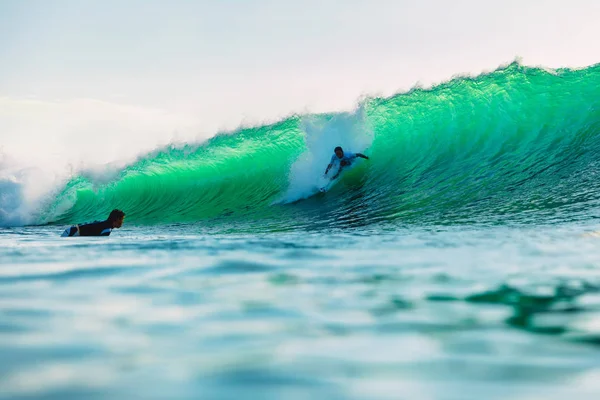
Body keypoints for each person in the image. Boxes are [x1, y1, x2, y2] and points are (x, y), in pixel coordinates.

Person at [61, 209, 125, 237]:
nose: (122, 222)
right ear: (116, 219)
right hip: (72, 233)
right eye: (122, 219)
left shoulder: (105, 224)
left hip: (71, 230)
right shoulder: (107, 229)